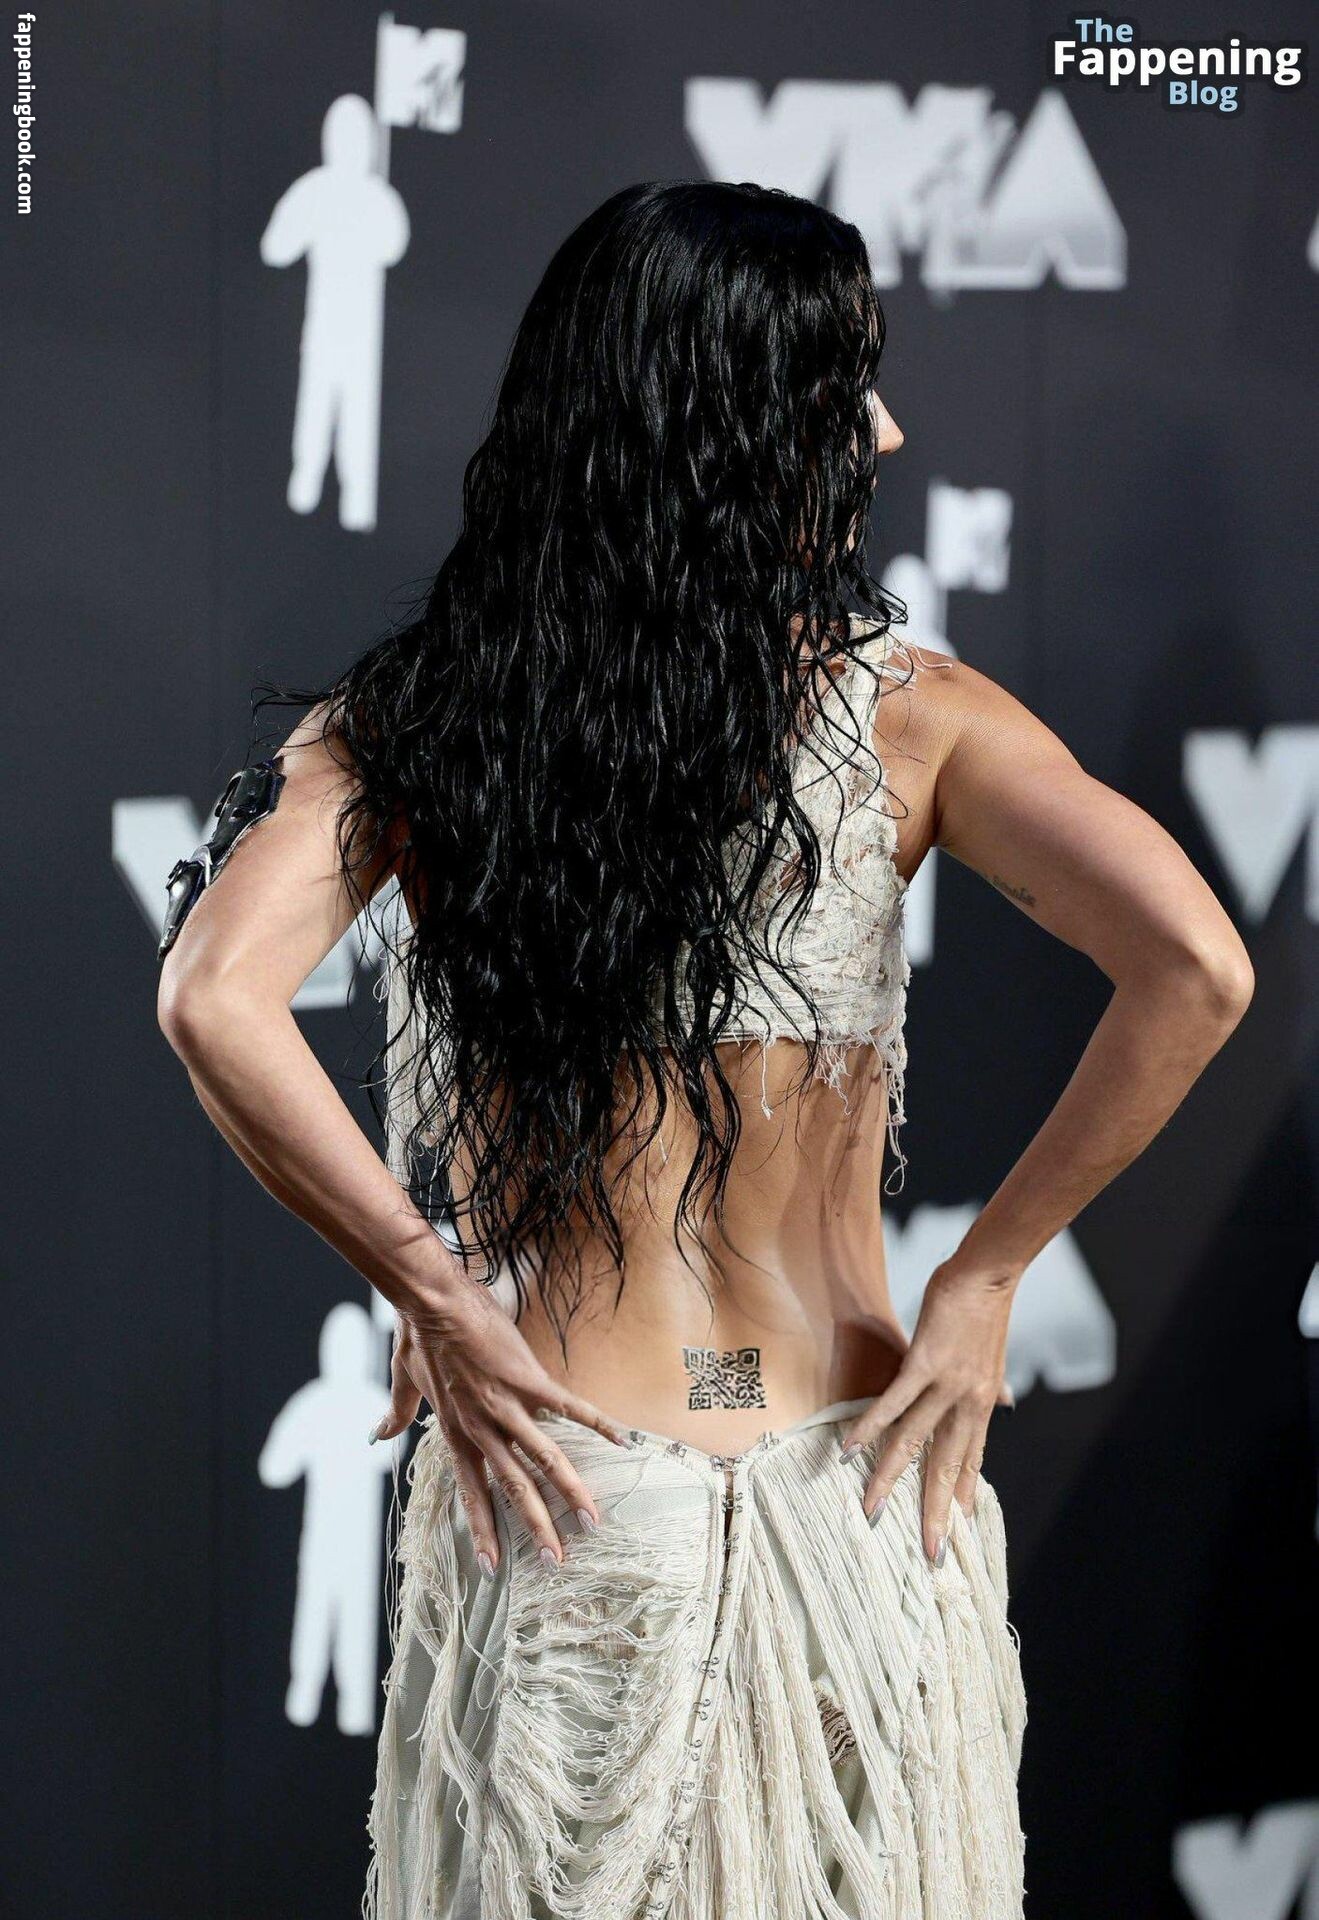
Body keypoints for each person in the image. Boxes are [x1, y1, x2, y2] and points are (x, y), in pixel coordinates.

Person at [156, 181, 1254, 1920]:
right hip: (850, 1511)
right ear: (729, 419)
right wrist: (985, 1276)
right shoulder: (911, 717)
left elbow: (213, 995)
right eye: (843, 392)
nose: (884, 435)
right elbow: (1195, 964)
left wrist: (427, 1287)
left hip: (573, 1511)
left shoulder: (422, 722)